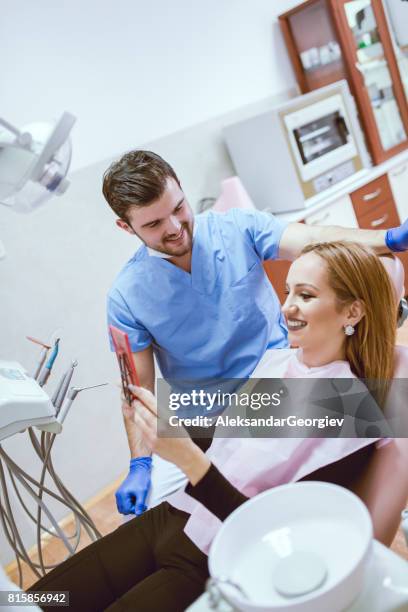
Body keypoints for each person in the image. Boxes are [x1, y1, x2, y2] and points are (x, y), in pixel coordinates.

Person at [31, 242, 408, 611]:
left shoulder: (352, 416)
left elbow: (276, 534)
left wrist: (189, 458)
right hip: (174, 516)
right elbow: (232, 436)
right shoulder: (278, 364)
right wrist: (160, 424)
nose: (287, 306)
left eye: (305, 295)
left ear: (352, 312)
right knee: (37, 600)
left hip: (212, 562)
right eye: (287, 291)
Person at [103, 149, 408, 516]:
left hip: (276, 388)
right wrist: (140, 464)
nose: (174, 227)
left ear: (181, 191)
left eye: (179, 208)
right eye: (153, 224)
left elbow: (314, 238)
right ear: (126, 227)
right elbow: (139, 392)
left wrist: (388, 238)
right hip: (200, 417)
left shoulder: (235, 228)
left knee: (330, 468)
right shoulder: (126, 296)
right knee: (160, 515)